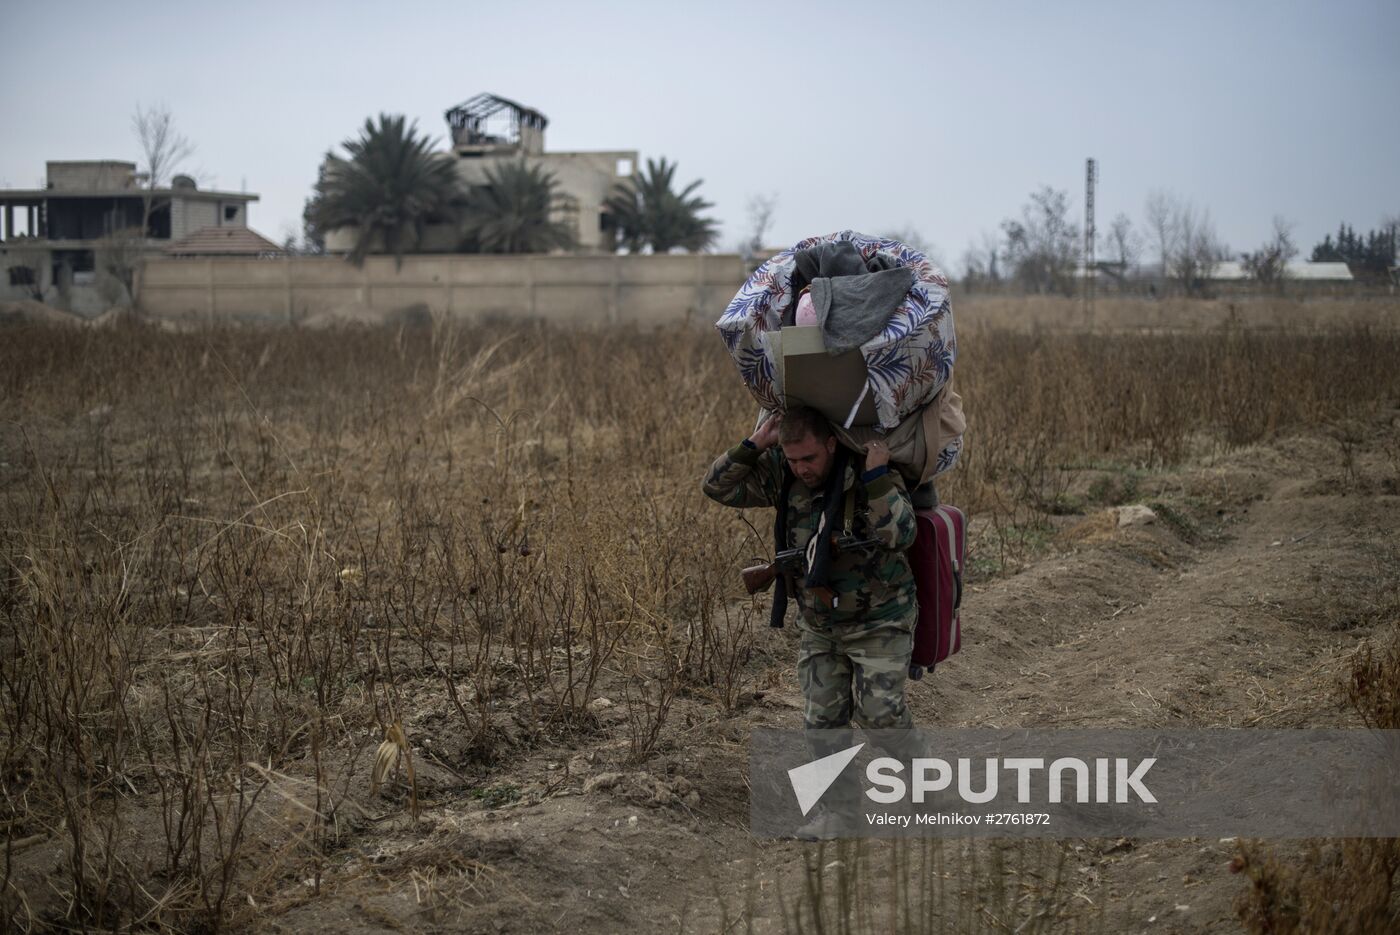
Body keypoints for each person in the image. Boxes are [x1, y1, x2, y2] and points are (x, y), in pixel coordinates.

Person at [702, 405, 919, 834]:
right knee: (822, 724)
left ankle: (926, 775)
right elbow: (716, 486)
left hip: (880, 618)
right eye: (793, 459)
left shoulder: (867, 473)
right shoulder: (783, 475)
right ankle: (841, 814)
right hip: (821, 625)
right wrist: (754, 445)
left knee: (881, 718)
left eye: (810, 458)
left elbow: (901, 534)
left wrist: (877, 476)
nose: (802, 468)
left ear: (832, 445)